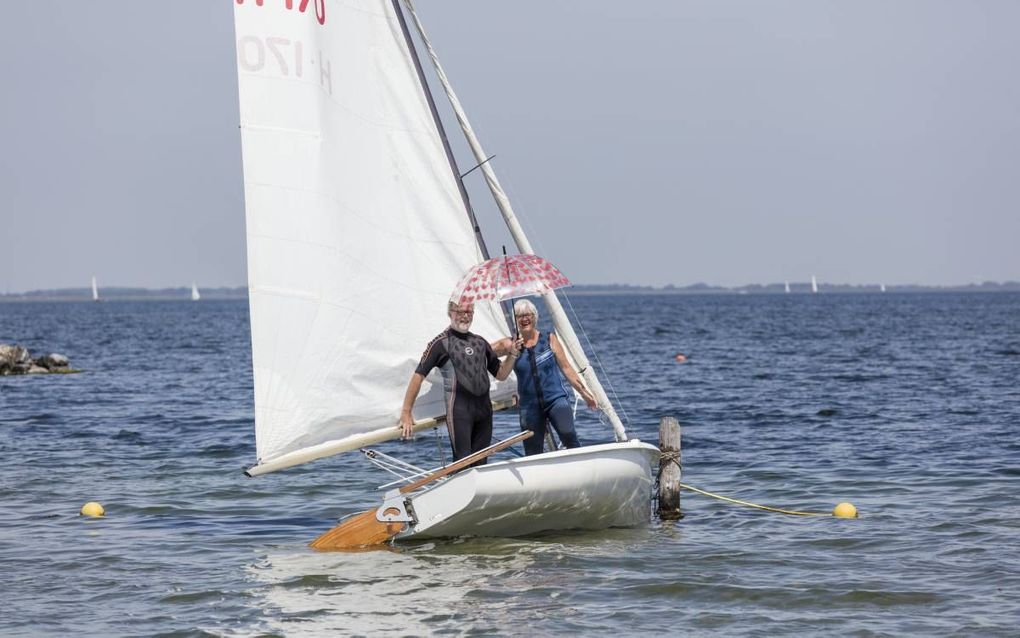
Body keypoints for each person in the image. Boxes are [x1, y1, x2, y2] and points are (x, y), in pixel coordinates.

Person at [399, 301, 521, 465]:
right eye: (461, 311)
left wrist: (512, 354)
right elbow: (418, 376)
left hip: (484, 411)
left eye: (469, 312)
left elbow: (501, 374)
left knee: (481, 462)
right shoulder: (440, 343)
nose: (465, 316)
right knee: (463, 462)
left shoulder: (480, 342)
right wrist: (406, 412)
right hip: (460, 412)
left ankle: (480, 489)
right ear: (450, 313)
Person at [495, 299, 598, 456]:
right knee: (532, 452)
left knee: (568, 433)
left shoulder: (549, 339)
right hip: (530, 407)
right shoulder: (510, 344)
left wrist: (584, 393)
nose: (524, 319)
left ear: (535, 317)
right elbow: (481, 350)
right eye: (520, 316)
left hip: (555, 400)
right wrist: (511, 352)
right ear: (515, 320)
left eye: (528, 314)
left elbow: (567, 369)